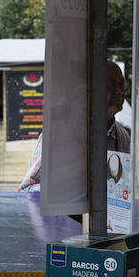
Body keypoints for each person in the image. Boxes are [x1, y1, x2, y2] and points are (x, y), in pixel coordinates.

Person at [19, 60, 130, 191]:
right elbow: (27, 188)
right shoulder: (57, 136)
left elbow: (122, 192)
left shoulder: (124, 136)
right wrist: (66, 194)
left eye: (121, 85)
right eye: (110, 85)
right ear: (92, 90)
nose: (119, 91)